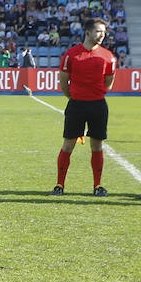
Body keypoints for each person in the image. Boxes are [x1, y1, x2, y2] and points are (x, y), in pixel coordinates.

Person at [52, 17, 116, 196]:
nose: (102, 35)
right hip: (76, 105)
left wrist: (94, 94)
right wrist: (74, 97)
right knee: (68, 145)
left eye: (104, 32)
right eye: (98, 31)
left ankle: (97, 185)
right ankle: (59, 185)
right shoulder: (71, 55)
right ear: (87, 32)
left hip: (98, 105)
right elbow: (64, 82)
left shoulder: (108, 56)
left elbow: (108, 83)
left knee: (97, 146)